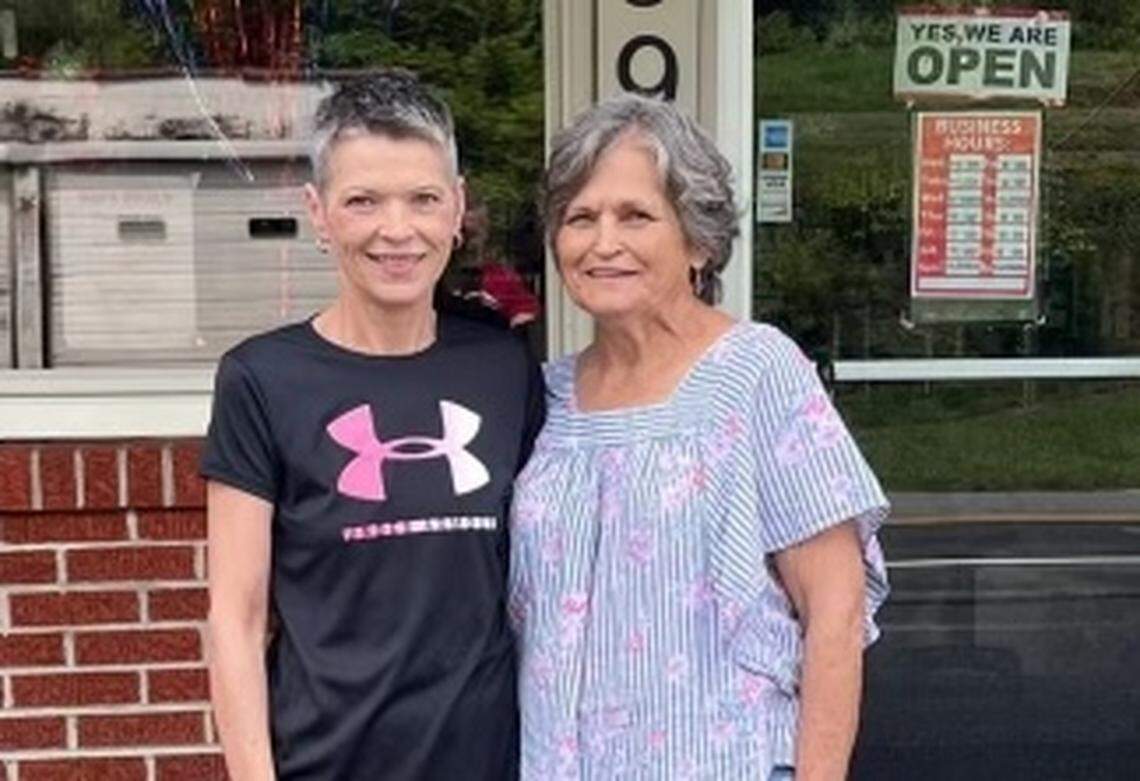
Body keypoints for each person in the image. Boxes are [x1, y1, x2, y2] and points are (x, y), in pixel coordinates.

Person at [508, 94, 889, 781]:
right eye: (580, 218)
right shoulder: (544, 397)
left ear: (700, 240)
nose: (603, 243)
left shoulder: (754, 372)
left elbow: (836, 607)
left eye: (636, 216)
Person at [202, 70, 543, 780]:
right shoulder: (262, 380)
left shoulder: (505, 369)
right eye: (363, 201)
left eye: (422, 199)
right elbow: (235, 619)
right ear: (318, 212)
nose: (398, 229)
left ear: (457, 208)